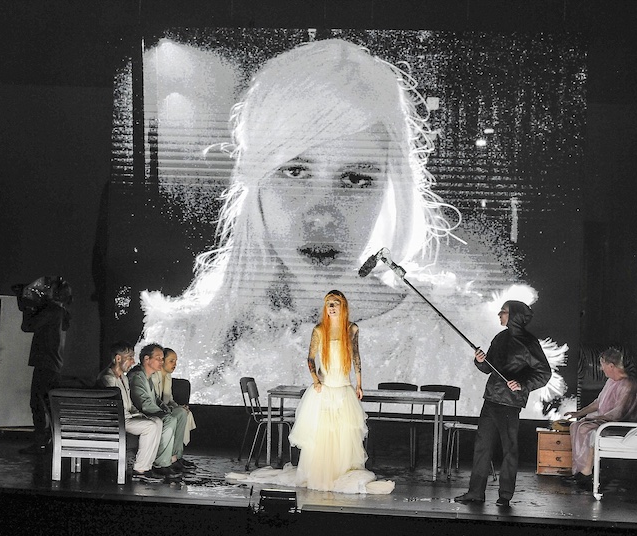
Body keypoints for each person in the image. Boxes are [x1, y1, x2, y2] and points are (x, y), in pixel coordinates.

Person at [140, 38, 567, 417]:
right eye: (295, 171)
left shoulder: (453, 342)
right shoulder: (186, 338)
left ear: (389, 189)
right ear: (257, 181)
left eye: (355, 179)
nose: (322, 214)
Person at [455, 300, 552, 506]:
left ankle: (505, 495)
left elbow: (544, 373)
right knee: (482, 447)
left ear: (515, 315)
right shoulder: (500, 338)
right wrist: (480, 361)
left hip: (509, 403)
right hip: (491, 399)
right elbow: (488, 368)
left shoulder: (529, 343)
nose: (499, 314)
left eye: (504, 312)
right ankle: (475, 492)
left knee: (509, 450)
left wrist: (523, 384)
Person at [287, 290, 377, 492]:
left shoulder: (351, 329)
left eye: (335, 303)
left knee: (344, 433)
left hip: (344, 388)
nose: (332, 307)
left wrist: (359, 384)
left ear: (343, 306)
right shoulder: (320, 330)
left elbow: (356, 357)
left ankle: (340, 472)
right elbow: (310, 358)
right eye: (329, 304)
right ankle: (321, 474)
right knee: (323, 433)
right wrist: (316, 381)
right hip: (325, 388)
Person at [563, 347, 637, 489]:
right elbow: (598, 403)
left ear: (611, 366)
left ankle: (586, 473)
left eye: (603, 365)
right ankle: (579, 471)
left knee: (585, 428)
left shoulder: (629, 385)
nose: (601, 369)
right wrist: (578, 414)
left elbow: (619, 413)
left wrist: (593, 419)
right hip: (605, 421)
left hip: (620, 423)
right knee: (575, 425)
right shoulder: (610, 382)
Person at [98, 341, 170, 483]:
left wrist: (140, 415)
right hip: (116, 420)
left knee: (157, 421)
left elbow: (129, 405)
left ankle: (147, 467)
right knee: (150, 426)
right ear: (118, 358)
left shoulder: (123, 378)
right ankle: (140, 470)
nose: (133, 361)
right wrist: (136, 417)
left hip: (126, 416)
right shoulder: (108, 379)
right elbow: (113, 407)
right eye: (130, 357)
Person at [18, 276, 72, 454]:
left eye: (49, 289)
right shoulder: (62, 311)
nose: (45, 290)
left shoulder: (52, 310)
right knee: (49, 405)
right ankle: (52, 441)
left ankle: (41, 442)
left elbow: (27, 326)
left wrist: (27, 305)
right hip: (54, 363)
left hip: (45, 362)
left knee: (37, 404)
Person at [127, 343, 187, 478]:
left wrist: (167, 408)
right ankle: (161, 463)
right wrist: (165, 413)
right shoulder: (137, 376)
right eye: (158, 358)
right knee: (169, 419)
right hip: (143, 414)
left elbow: (156, 399)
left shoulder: (148, 377)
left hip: (154, 411)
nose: (161, 361)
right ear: (146, 359)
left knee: (181, 413)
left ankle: (174, 457)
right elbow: (144, 404)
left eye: (162, 359)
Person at [150, 348, 197, 466]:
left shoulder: (168, 377)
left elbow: (169, 399)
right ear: (162, 361)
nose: (174, 364)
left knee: (183, 412)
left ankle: (177, 456)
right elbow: (154, 401)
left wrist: (179, 407)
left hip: (165, 409)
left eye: (176, 361)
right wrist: (172, 409)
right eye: (171, 361)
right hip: (155, 411)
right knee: (178, 415)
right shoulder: (154, 376)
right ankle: (168, 458)